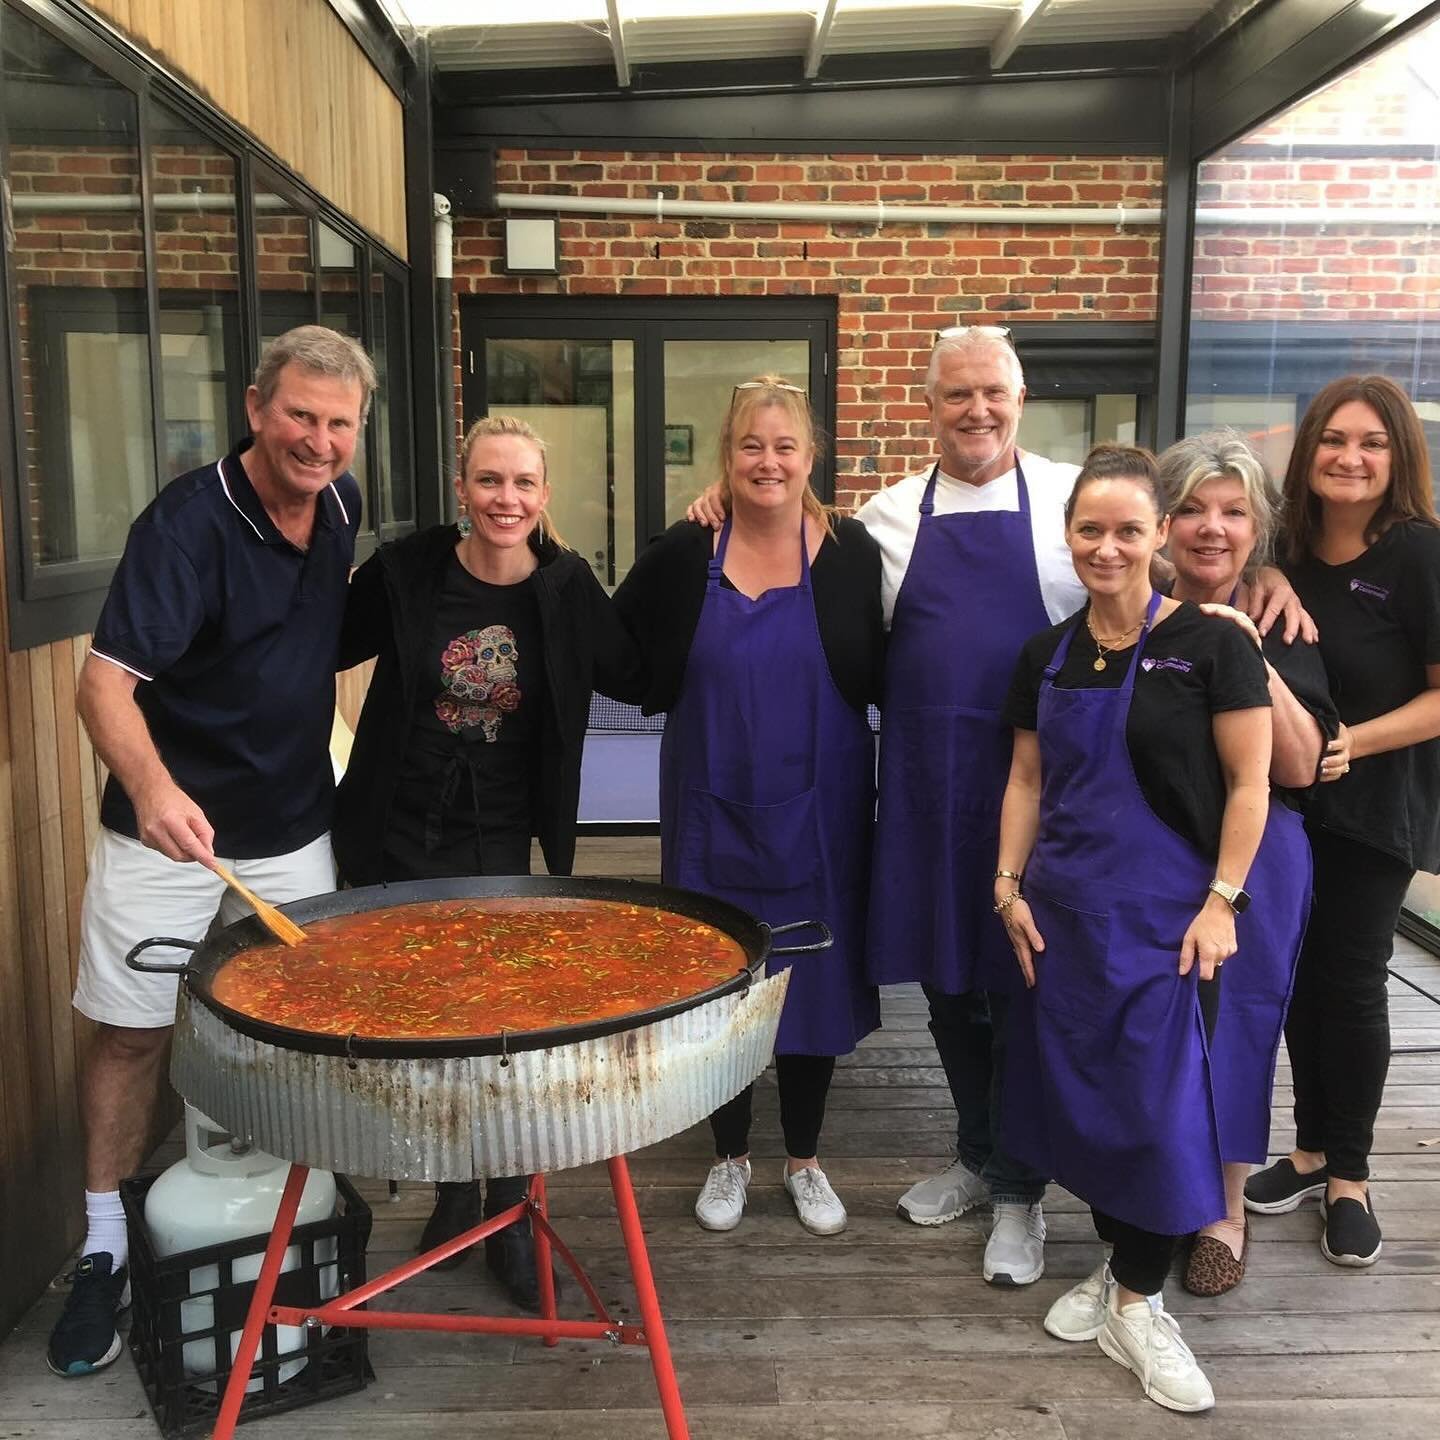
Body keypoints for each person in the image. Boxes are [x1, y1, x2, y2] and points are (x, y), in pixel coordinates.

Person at [688, 328, 1307, 1285]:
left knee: (1026, 993)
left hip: (1053, 796)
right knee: (947, 987)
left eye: (994, 394)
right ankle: (979, 1155)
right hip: (934, 798)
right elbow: (786, 545)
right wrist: (722, 503)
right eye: (956, 395)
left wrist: (1257, 580)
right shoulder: (882, 522)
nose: (976, 410)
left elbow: (1154, 566)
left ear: (1020, 399)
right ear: (926, 405)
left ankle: (1022, 1189)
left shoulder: (1070, 499)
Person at [49, 327, 374, 1377]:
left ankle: (284, 1229)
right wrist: (153, 790)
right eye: (300, 416)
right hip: (167, 834)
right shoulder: (185, 525)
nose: (318, 442)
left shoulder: (340, 510)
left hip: (292, 828)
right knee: (134, 1033)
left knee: (293, 1030)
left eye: (339, 424)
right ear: (254, 408)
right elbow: (104, 685)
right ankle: (100, 1245)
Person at [332, 414, 642, 1309]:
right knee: (421, 1023)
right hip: (399, 824)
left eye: (523, 484)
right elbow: (312, 642)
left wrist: (696, 555)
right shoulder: (406, 572)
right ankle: (452, 1194)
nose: (506, 499)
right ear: (462, 487)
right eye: (489, 481)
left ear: (545, 497)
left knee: (502, 1029)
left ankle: (510, 1207)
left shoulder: (567, 586)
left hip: (503, 836)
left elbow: (637, 669)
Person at [996, 444, 1274, 1412]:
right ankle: (1121, 1272)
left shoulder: (1212, 645)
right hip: (1066, 919)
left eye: (1127, 530)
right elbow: (1028, 780)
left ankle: (1138, 1305)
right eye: (1090, 530)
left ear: (1159, 536)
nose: (1107, 548)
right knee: (1089, 1106)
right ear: (1068, 538)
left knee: (1162, 1116)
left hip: (1170, 926)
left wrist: (1221, 902)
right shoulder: (1049, 654)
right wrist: (1007, 886)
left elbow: (1252, 784)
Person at [615, 377, 884, 1237]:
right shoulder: (680, 553)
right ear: (726, 457)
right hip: (708, 801)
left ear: (811, 456)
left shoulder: (850, 552)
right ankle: (729, 1157)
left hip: (823, 803)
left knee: (809, 978)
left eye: (784, 446)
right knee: (715, 980)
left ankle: (803, 1157)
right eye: (750, 447)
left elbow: (898, 658)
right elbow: (613, 652)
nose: (768, 462)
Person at [1245, 375, 1440, 1268]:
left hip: (1373, 802)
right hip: (1289, 803)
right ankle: (1310, 1150)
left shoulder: (1417, 554)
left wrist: (1349, 743)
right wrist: (1264, 568)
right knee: (1298, 974)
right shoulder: (1282, 542)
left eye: (1371, 442)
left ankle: (1351, 1176)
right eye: (1333, 439)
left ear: (1397, 457)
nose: (1349, 458)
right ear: (1309, 448)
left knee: (1354, 979)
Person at [1157, 433, 1336, 1296]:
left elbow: (1301, 764)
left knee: (1238, 1028)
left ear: (1258, 529)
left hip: (1260, 859)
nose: (1211, 528)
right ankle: (1153, 1192)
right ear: (1162, 522)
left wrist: (1247, 651)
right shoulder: (1132, 605)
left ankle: (1224, 1212)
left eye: (1232, 511)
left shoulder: (1277, 620)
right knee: (1151, 1023)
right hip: (1150, 848)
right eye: (1191, 508)